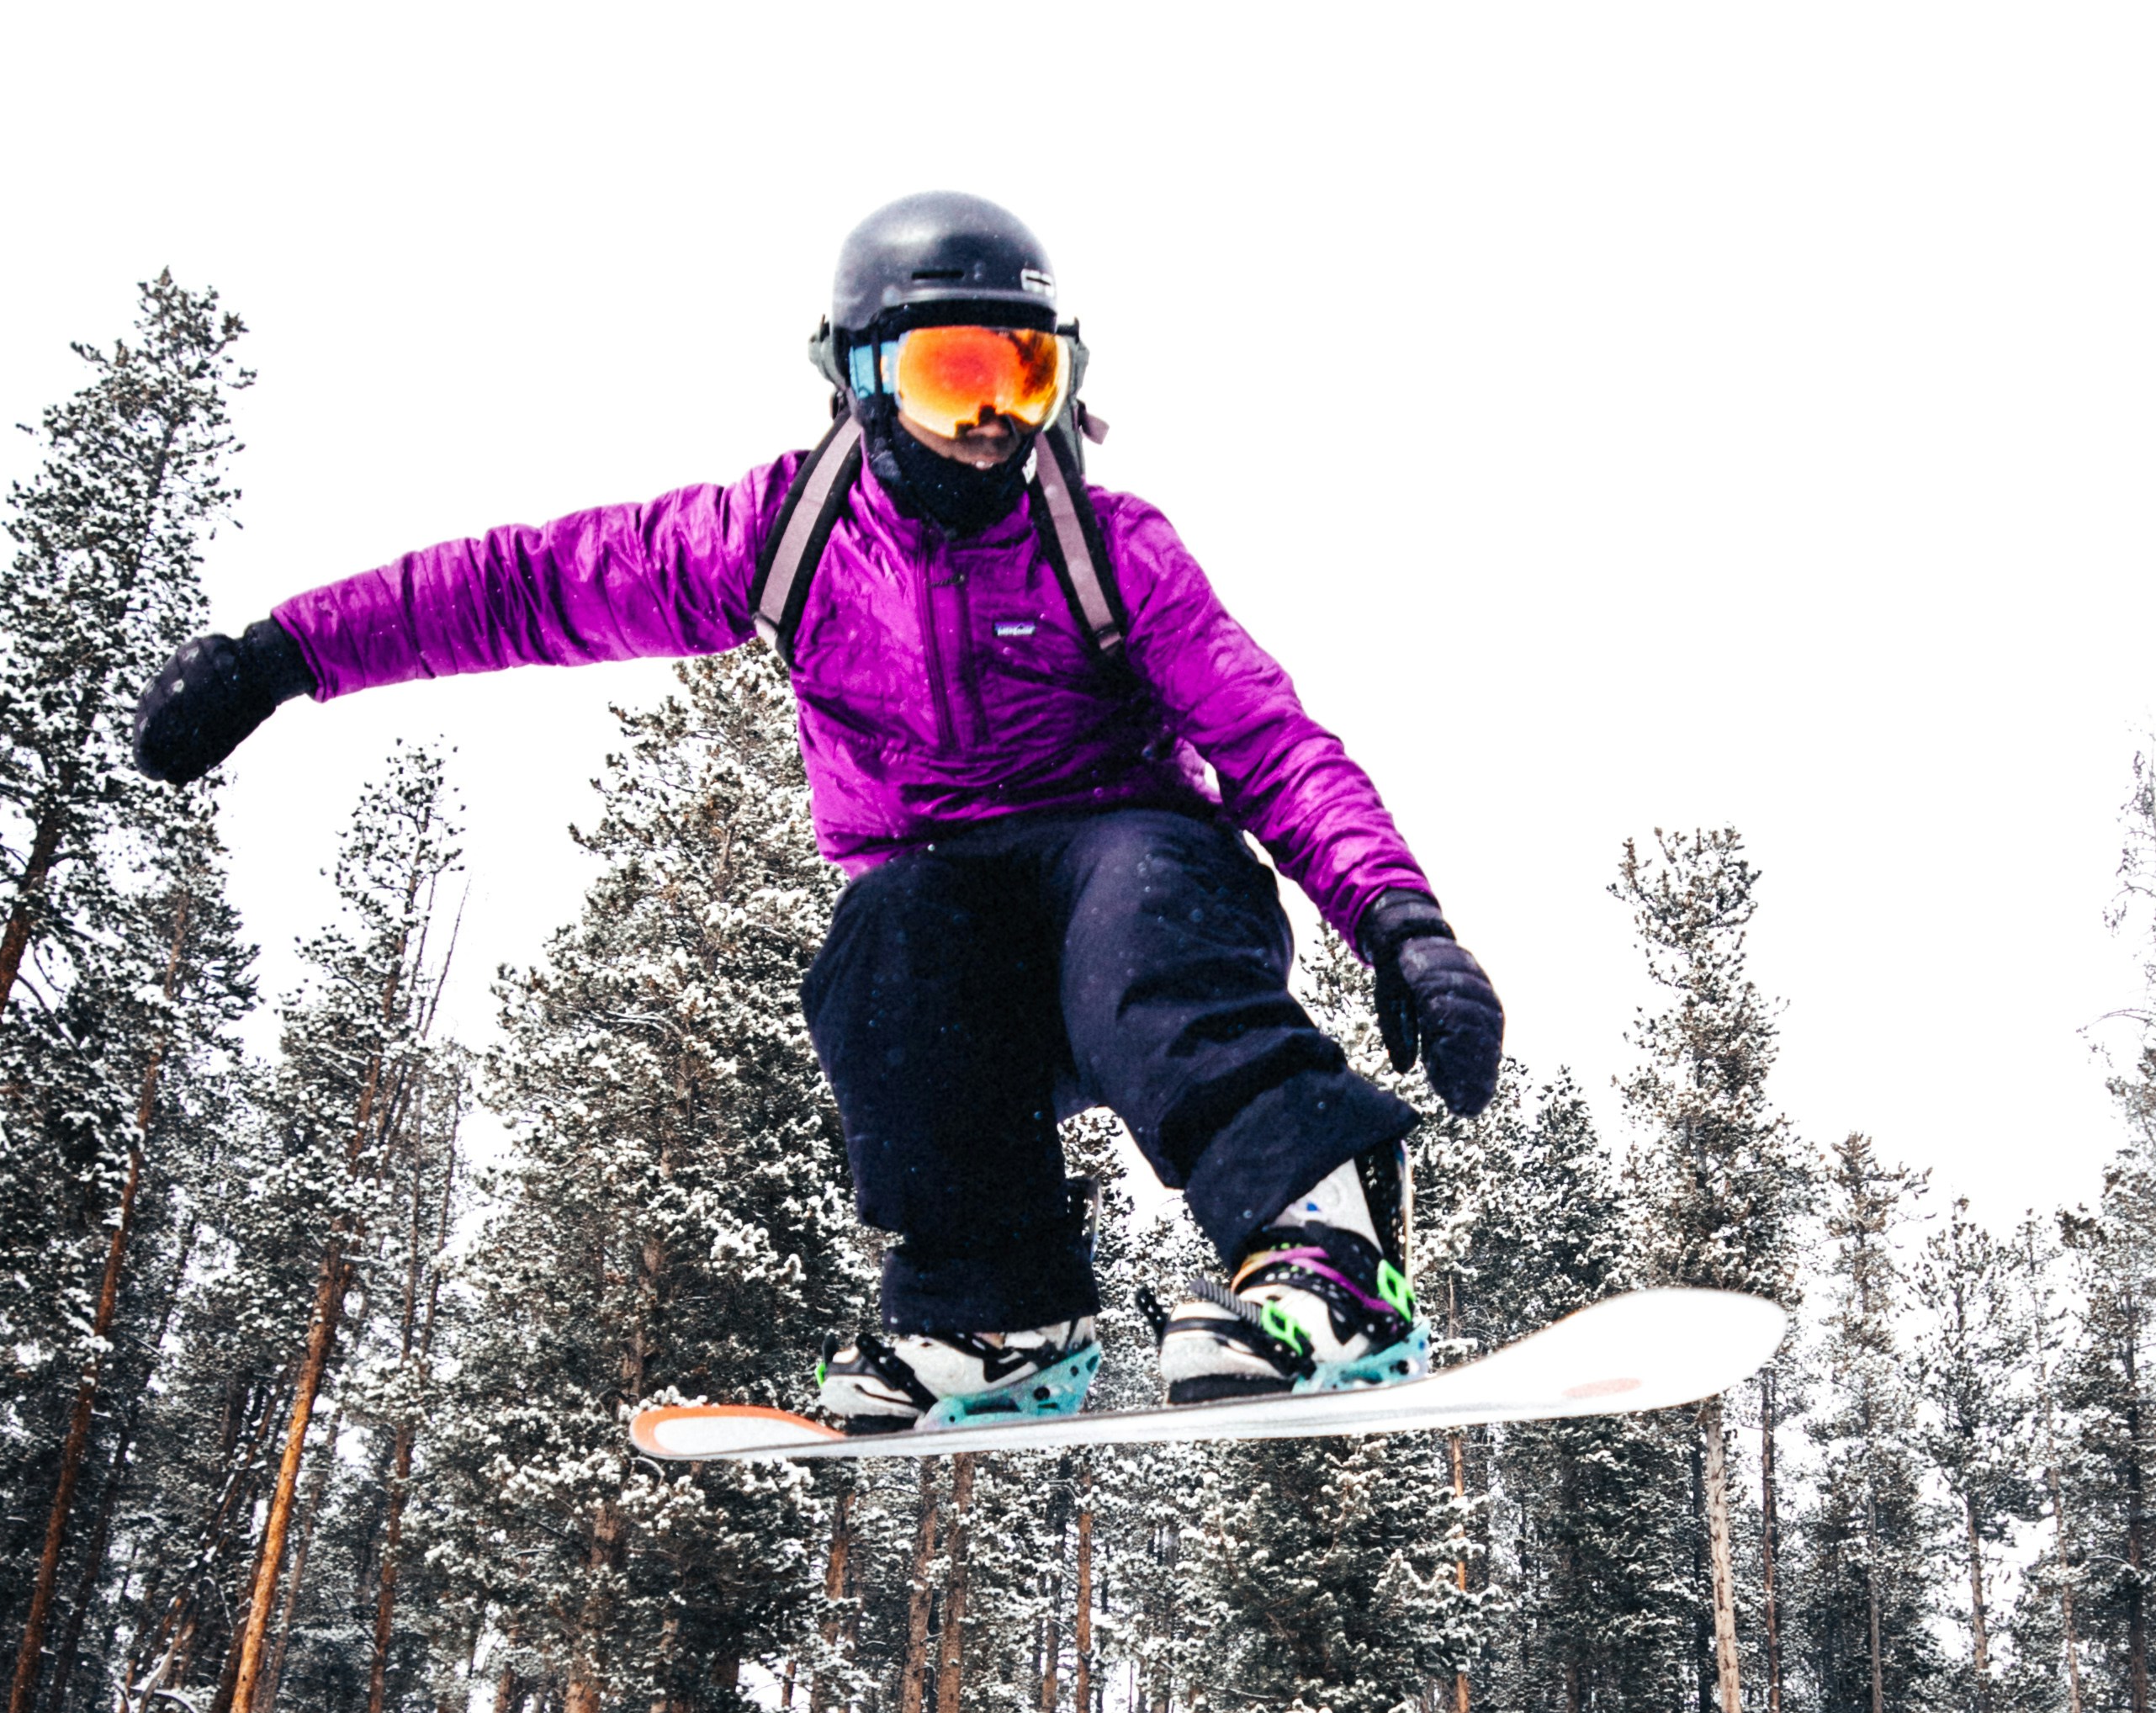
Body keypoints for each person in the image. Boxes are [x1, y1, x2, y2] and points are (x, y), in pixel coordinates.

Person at [128, 191, 1503, 1423]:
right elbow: (521, 585)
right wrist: (285, 653)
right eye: (945, 378)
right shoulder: (781, 534)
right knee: (885, 933)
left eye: (1019, 379)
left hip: (1130, 888)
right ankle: (997, 1308)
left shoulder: (1111, 548)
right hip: (960, 960)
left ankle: (1323, 1247)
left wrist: (1400, 921)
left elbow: (1266, 739)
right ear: (854, 381)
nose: (987, 428)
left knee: (1139, 892)